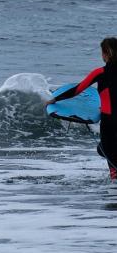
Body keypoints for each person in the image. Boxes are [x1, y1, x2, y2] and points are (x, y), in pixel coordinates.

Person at [46, 37, 117, 180]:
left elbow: (77, 89)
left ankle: (114, 182)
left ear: (106, 53)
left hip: (109, 120)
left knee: (107, 152)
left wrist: (55, 99)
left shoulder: (100, 72)